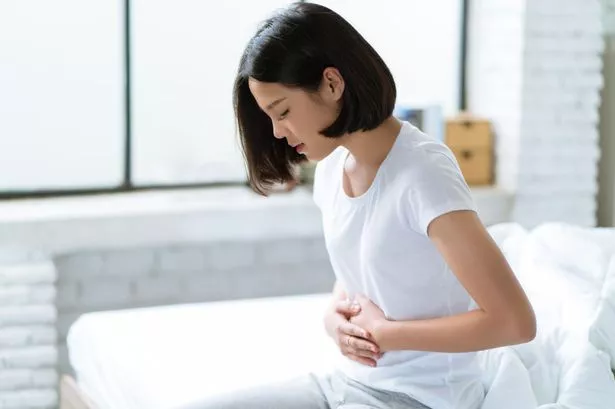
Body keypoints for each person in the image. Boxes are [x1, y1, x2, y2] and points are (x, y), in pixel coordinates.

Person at [189, 2, 536, 409]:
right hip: (346, 385)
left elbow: (514, 322)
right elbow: (358, 281)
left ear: (332, 84)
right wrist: (333, 321)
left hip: (421, 397)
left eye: (282, 112)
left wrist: (386, 334)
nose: (278, 132)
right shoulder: (332, 170)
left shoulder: (423, 171)